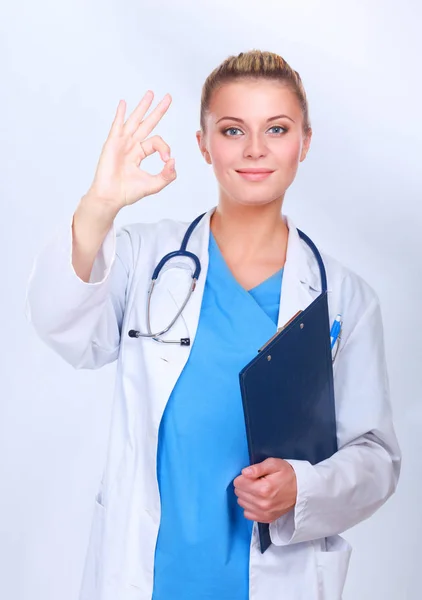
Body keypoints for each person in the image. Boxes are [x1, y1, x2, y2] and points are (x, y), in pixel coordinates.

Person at [25, 50, 401, 600]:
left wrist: (305, 488)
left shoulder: (344, 298)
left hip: (275, 579)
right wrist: (100, 205)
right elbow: (63, 326)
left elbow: (376, 459)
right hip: (148, 575)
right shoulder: (145, 257)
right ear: (203, 144)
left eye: (277, 128)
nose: (254, 149)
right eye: (232, 129)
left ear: (305, 142)